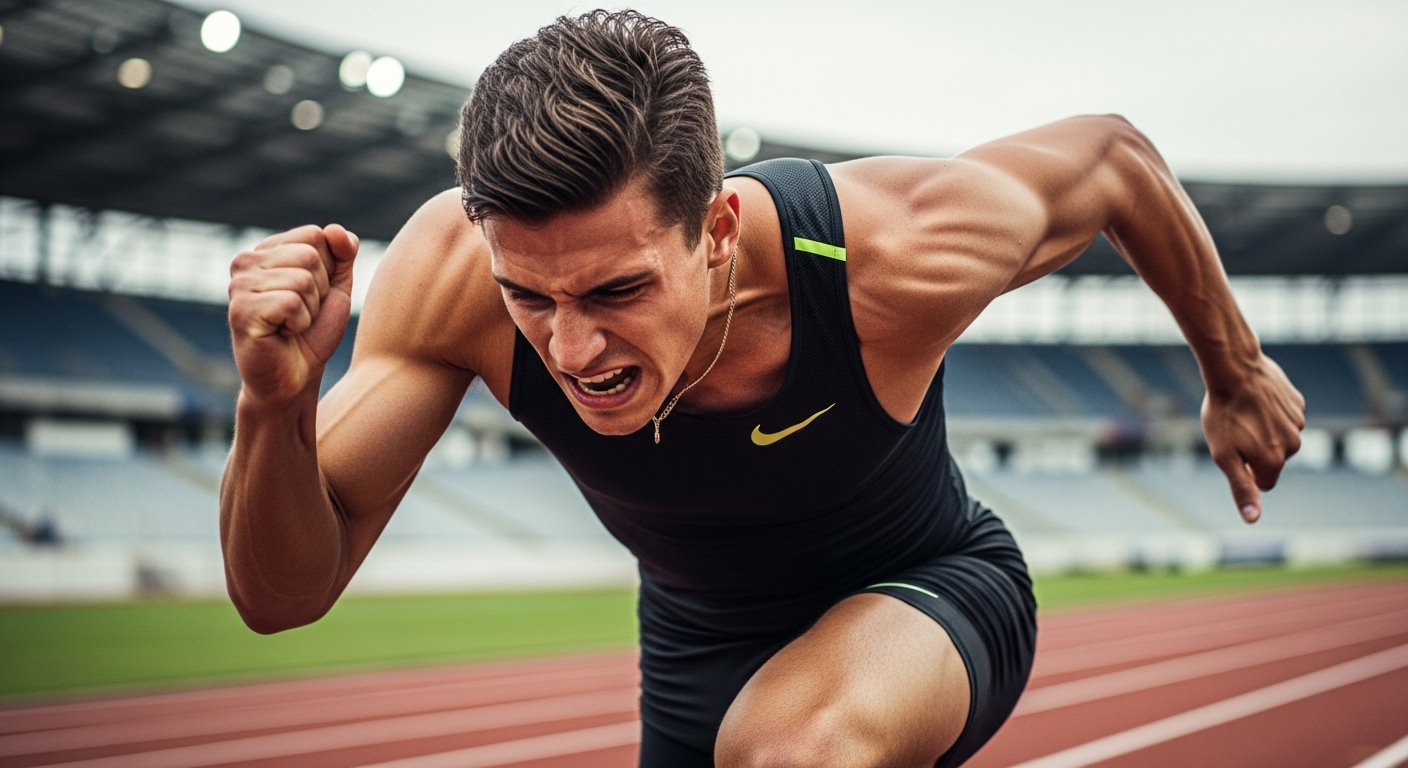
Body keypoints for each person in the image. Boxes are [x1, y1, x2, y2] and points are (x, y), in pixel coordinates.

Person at [220, 10, 1305, 767]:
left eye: (617, 288)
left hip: (928, 588)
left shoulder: (893, 253)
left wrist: (1236, 369)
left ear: (718, 229)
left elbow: (1113, 157)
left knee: (792, 751)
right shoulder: (448, 281)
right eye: (529, 295)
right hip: (695, 647)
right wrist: (275, 405)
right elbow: (282, 596)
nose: (571, 346)